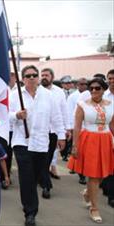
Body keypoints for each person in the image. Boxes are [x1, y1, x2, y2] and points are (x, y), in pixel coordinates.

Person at [10, 65, 65, 226]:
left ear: (39, 77)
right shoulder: (15, 96)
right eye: (28, 75)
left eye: (35, 75)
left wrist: (61, 136)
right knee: (26, 178)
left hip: (42, 143)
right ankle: (30, 212)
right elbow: (4, 116)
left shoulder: (48, 96)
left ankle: (30, 200)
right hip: (22, 143)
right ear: (23, 78)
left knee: (36, 176)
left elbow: (56, 117)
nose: (32, 78)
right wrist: (16, 115)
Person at [67, 77, 114, 223]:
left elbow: (112, 124)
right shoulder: (82, 105)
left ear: (103, 89)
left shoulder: (111, 104)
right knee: (93, 175)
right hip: (89, 140)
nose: (94, 90)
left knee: (102, 173)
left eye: (97, 88)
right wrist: (75, 145)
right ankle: (94, 208)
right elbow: (77, 126)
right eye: (91, 88)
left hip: (106, 139)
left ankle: (88, 193)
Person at [39, 68, 68, 199]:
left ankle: (44, 182)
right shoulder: (37, 91)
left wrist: (65, 130)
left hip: (53, 131)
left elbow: (63, 112)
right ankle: (46, 185)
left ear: (52, 77)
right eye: (42, 75)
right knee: (40, 159)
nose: (44, 77)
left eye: (46, 75)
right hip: (39, 131)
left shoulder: (59, 92)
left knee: (48, 158)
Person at [101, 69, 114, 208]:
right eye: (109, 78)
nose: (111, 81)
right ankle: (111, 195)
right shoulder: (103, 96)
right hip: (107, 134)